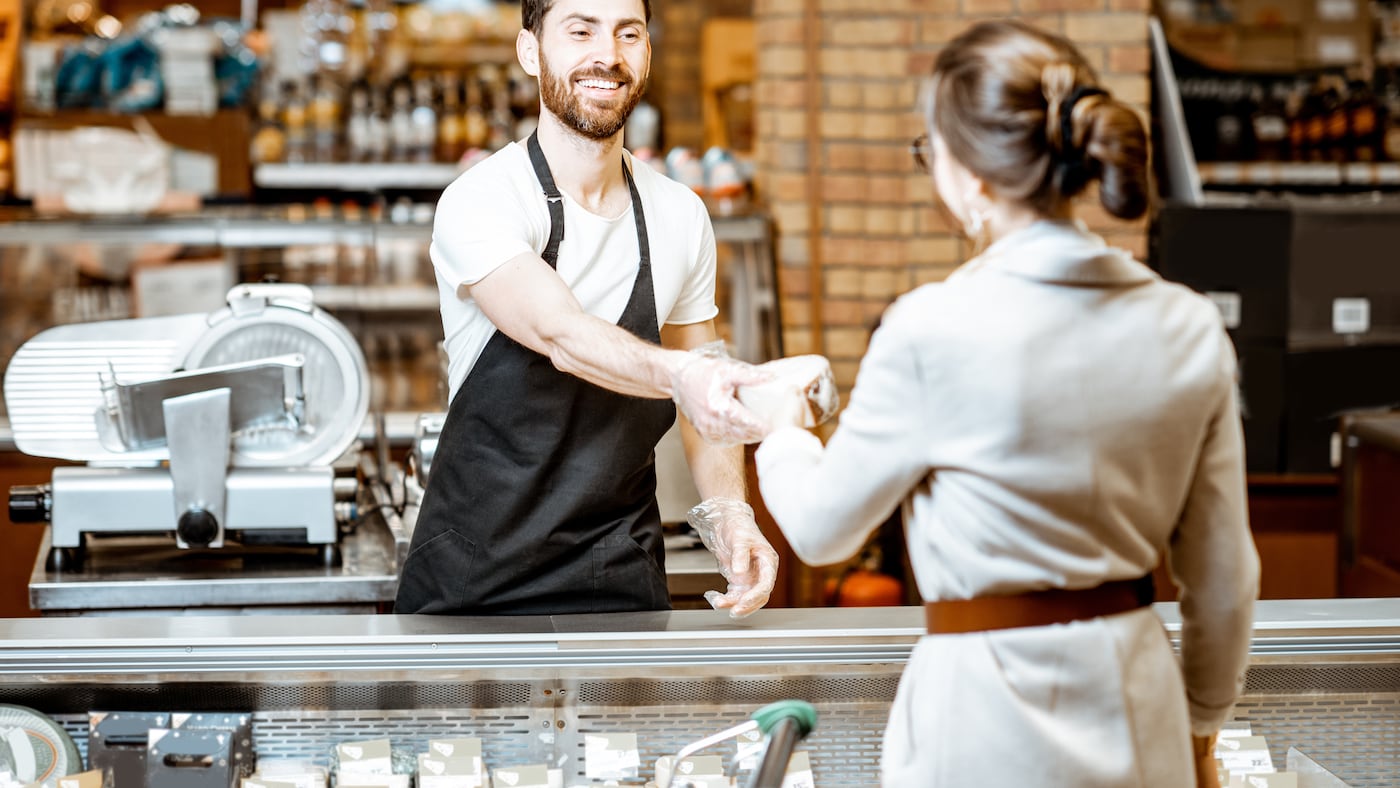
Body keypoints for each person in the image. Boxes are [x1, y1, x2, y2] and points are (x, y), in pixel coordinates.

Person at [752, 20, 1259, 787]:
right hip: (1138, 706)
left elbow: (823, 532)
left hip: (983, 715)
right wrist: (1199, 727)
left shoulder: (931, 326)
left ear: (969, 172)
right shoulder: (1188, 325)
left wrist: (784, 431)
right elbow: (1223, 579)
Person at [394, 0, 783, 618]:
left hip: (620, 576)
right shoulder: (483, 198)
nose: (608, 54)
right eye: (581, 31)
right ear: (530, 50)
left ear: (648, 53)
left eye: (629, 34)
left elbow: (702, 402)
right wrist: (682, 374)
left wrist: (732, 517)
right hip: (475, 586)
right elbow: (562, 335)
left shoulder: (681, 214)